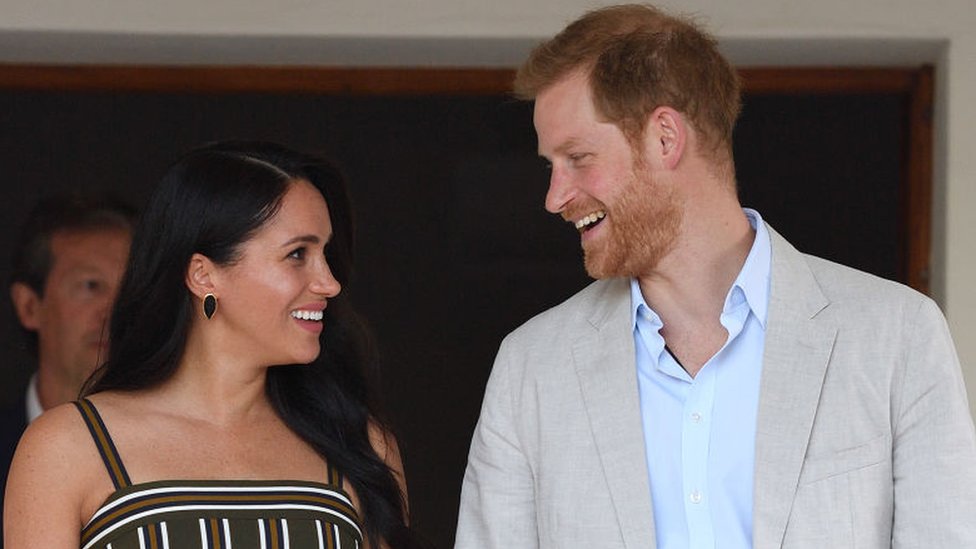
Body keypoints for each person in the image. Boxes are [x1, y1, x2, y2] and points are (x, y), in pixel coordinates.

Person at [456, 4, 976, 548]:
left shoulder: (898, 337)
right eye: (550, 165)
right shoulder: (529, 370)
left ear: (665, 138)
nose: (554, 197)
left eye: (578, 157)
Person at [5, 141, 421, 548]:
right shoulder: (68, 446)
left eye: (326, 255)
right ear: (204, 276)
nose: (329, 282)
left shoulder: (358, 443)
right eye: (297, 254)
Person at [1, 193, 134, 545]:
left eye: (130, 292)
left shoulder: (179, 451)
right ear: (29, 306)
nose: (112, 313)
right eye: (91, 287)